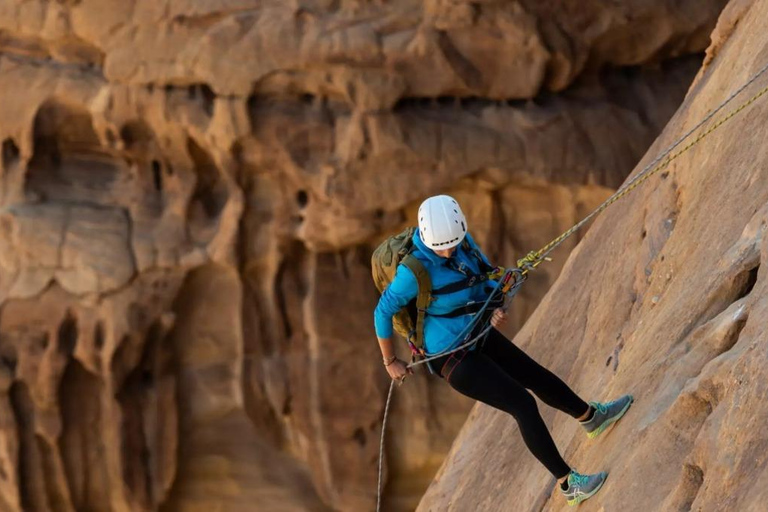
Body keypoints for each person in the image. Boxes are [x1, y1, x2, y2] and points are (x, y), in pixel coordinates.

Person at [373, 194, 633, 506]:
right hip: (450, 357)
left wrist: (494, 303)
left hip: (476, 330)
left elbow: (482, 280)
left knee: (535, 375)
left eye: (452, 243)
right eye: (441, 247)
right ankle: (568, 484)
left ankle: (591, 418)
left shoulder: (462, 242)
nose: (447, 250)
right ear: (427, 240)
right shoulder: (412, 272)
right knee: (522, 403)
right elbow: (382, 312)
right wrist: (390, 361)